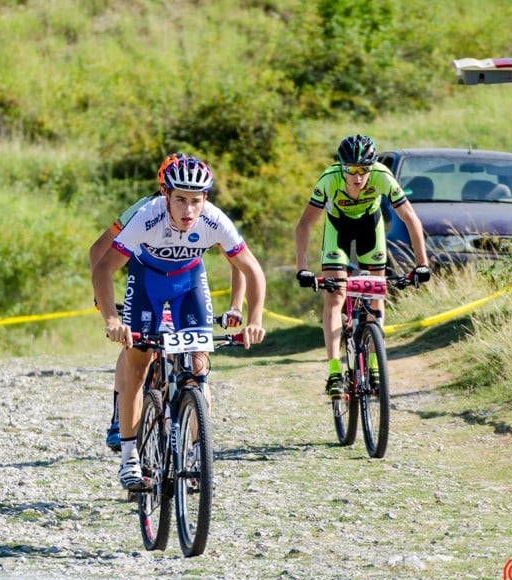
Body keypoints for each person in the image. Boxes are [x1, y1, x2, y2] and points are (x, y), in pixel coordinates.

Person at [91, 156, 266, 489]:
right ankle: (129, 457)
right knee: (137, 366)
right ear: (165, 196)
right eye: (180, 199)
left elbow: (252, 270)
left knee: (198, 367)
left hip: (188, 284)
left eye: (196, 200)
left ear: (206, 201)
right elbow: (103, 267)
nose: (188, 209)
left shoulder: (214, 221)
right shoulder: (147, 216)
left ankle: (199, 450)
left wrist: (253, 319)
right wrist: (112, 319)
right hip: (146, 284)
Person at [294, 134, 430, 397]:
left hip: (371, 228)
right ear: (341, 167)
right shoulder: (329, 179)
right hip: (338, 229)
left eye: (363, 170)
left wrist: (422, 264)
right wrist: (302, 267)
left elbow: (410, 218)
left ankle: (375, 363)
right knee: (335, 296)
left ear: (372, 166)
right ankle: (334, 370)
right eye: (351, 170)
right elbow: (305, 224)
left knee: (376, 295)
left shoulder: (382, 176)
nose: (358, 177)